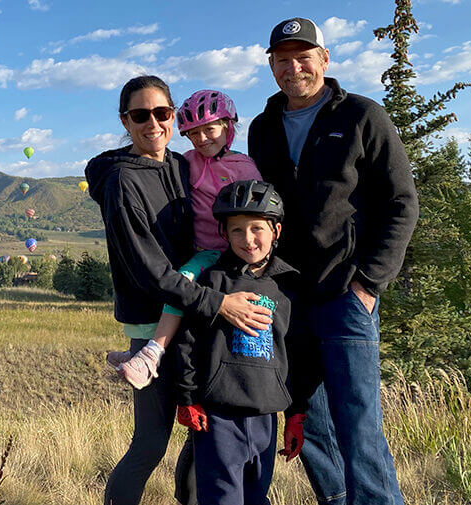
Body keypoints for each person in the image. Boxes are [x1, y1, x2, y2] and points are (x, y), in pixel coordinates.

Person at [248, 17, 419, 505]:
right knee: (310, 423)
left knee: (358, 426)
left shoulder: (363, 116)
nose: (294, 67)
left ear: (324, 59)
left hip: (346, 293)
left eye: (304, 56)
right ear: (272, 66)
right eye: (283, 59)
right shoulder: (262, 129)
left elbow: (402, 203)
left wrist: (369, 284)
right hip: (288, 297)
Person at [85, 75, 274, 505]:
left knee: (203, 433)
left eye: (161, 113)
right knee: (151, 444)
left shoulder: (178, 164)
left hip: (198, 314)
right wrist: (219, 303)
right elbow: (151, 271)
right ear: (125, 121)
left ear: (174, 117)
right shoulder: (121, 183)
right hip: (158, 315)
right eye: (139, 115)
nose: (152, 123)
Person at [105, 89, 263, 390]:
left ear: (228, 127)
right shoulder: (186, 161)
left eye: (210, 130)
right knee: (183, 285)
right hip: (200, 248)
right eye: (193, 134)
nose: (202, 139)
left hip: (229, 250)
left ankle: (151, 353)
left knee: (185, 282)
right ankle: (148, 349)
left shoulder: (245, 167)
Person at [174, 179, 317, 505]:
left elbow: (299, 352)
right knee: (222, 499)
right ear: (223, 234)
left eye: (257, 229)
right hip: (218, 418)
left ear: (276, 230)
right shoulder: (213, 280)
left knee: (256, 497)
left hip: (266, 416)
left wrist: (296, 414)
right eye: (236, 230)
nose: (248, 239)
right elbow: (187, 341)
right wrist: (187, 396)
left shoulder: (289, 286)